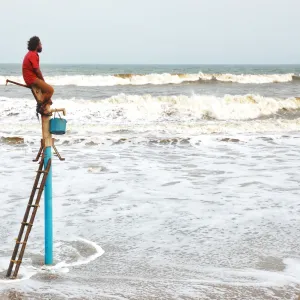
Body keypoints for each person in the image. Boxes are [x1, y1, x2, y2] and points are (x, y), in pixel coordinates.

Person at [22, 36, 53, 116]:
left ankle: (43, 104)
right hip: (31, 79)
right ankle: (40, 107)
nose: (41, 46)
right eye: (40, 44)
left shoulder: (31, 54)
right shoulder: (32, 54)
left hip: (31, 78)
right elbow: (37, 70)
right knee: (50, 90)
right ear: (37, 45)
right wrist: (43, 81)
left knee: (48, 97)